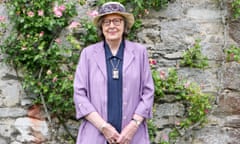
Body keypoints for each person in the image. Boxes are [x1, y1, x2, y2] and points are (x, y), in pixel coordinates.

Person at [73, 2, 154, 144]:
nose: (112, 26)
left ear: (125, 25)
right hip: (95, 134)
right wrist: (103, 127)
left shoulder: (139, 52)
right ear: (101, 27)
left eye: (117, 21)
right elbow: (80, 95)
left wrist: (134, 125)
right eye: (106, 22)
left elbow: (148, 92)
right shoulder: (88, 54)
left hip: (132, 136)